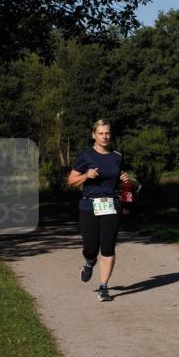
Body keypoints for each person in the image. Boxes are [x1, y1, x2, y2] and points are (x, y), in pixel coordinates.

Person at [67, 119, 130, 302]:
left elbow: (117, 181)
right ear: (93, 135)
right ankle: (88, 263)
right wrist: (86, 175)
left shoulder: (117, 156)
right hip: (89, 205)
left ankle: (103, 287)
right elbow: (71, 180)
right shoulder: (86, 156)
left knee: (108, 247)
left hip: (111, 205)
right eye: (101, 133)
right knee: (91, 248)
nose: (104, 136)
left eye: (107, 133)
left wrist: (124, 179)